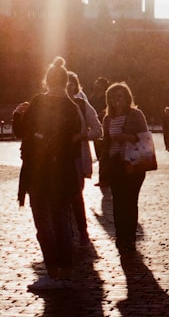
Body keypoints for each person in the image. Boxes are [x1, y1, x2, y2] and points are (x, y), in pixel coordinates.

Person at [18, 57, 81, 291]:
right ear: (66, 83)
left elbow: (23, 132)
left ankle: (52, 273)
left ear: (47, 80)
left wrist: (18, 114)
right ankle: (66, 273)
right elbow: (74, 141)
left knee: (44, 224)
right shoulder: (72, 107)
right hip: (63, 172)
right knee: (63, 223)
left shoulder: (38, 102)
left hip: (39, 172)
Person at [101, 82, 151, 256]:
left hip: (133, 163)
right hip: (115, 163)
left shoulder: (136, 115)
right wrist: (103, 168)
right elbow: (105, 144)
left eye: (120, 96)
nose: (116, 100)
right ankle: (121, 238)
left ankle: (129, 238)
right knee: (117, 203)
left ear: (127, 97)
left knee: (130, 202)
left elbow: (144, 137)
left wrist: (126, 137)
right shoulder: (108, 118)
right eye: (113, 97)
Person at [67, 71, 101, 246]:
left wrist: (81, 136)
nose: (67, 86)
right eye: (64, 82)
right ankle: (66, 234)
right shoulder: (48, 104)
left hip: (76, 157)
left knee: (75, 196)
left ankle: (82, 232)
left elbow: (97, 130)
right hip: (54, 159)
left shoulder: (82, 105)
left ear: (76, 85)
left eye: (71, 82)